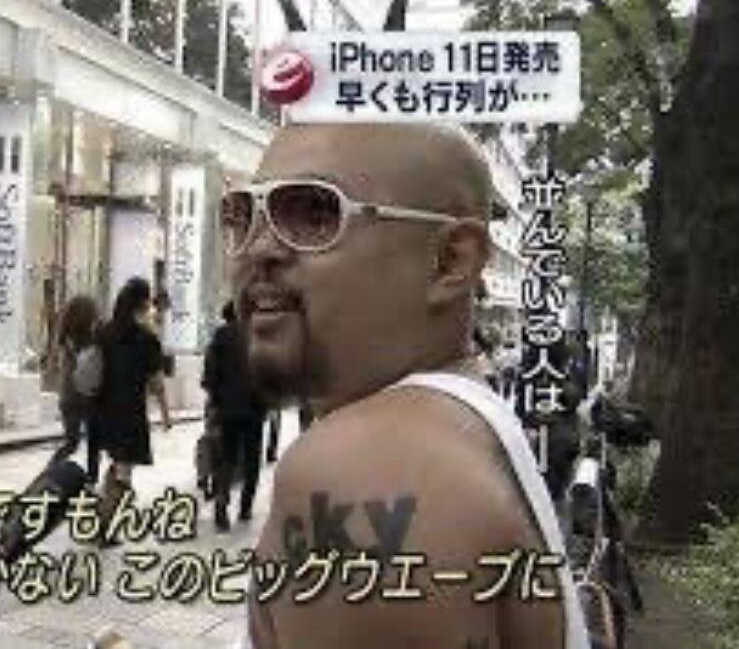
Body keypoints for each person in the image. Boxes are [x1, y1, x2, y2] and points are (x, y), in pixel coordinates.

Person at [224, 123, 588, 648]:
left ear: (451, 261)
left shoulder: (363, 472)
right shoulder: (457, 430)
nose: (258, 248)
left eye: (314, 213)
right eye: (244, 215)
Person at [92, 277, 172, 537]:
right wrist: (165, 415)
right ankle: (106, 527)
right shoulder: (146, 338)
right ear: (144, 303)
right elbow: (157, 383)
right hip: (130, 412)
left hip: (102, 409)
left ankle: (104, 511)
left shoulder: (104, 332)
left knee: (118, 464)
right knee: (124, 473)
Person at [202, 302, 268, 532]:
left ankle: (221, 503)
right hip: (255, 407)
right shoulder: (260, 335)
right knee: (252, 459)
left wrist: (215, 398)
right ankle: (245, 507)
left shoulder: (221, 335)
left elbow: (210, 372)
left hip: (226, 407)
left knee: (227, 458)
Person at [51, 294, 102, 483]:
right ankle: (92, 479)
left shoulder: (64, 335)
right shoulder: (96, 337)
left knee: (71, 442)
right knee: (94, 443)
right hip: (91, 395)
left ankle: (51, 471)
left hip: (68, 394)